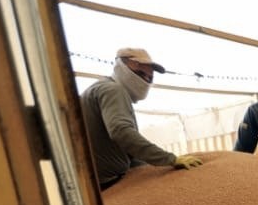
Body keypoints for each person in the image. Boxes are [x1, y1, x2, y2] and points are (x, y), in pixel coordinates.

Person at [80, 47, 203, 190]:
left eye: (149, 77)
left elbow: (126, 150)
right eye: (139, 72)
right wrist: (170, 159)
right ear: (121, 65)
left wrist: (148, 168)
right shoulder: (113, 90)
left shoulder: (101, 89)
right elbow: (121, 132)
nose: (145, 79)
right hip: (106, 184)